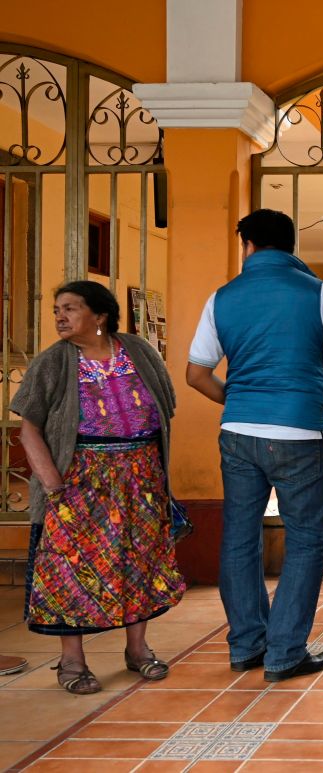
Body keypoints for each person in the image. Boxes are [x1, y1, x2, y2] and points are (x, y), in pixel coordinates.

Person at [187, 209, 323, 682]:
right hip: (301, 434)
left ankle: (246, 645)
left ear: (246, 243)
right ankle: (285, 651)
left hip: (239, 434)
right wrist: (316, 400)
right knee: (305, 540)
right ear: (291, 246)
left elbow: (196, 374)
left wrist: (240, 400)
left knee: (238, 539)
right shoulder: (318, 293)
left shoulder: (222, 298)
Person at [12, 281, 185, 694]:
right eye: (57, 309)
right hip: (79, 479)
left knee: (138, 559)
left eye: (70, 308)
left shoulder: (139, 351)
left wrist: (152, 472)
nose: (60, 316)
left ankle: (138, 651)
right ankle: (72, 661)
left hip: (140, 476)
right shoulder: (53, 362)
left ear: (100, 315)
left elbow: (166, 405)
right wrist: (52, 481)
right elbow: (29, 427)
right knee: (70, 567)